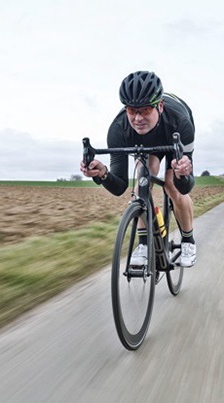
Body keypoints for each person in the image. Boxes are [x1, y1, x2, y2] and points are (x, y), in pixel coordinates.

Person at [80, 71, 197, 267]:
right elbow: (119, 187)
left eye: (144, 110)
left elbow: (186, 186)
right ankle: (143, 244)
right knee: (143, 177)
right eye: (131, 110)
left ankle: (188, 240)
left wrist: (182, 173)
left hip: (173, 135)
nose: (137, 118)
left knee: (172, 185)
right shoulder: (118, 129)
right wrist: (102, 174)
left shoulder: (181, 123)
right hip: (145, 145)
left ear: (159, 106)